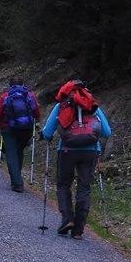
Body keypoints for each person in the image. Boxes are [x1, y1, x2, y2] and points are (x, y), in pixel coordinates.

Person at [40, 79, 112, 240]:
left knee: (64, 184)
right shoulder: (93, 106)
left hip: (66, 150)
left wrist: (44, 135)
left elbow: (47, 133)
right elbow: (106, 132)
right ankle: (78, 229)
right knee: (84, 187)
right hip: (91, 151)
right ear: (85, 91)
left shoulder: (61, 106)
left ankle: (67, 219)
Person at [0, 76, 41, 192]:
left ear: (10, 85)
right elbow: (37, 113)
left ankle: (17, 183)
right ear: (23, 84)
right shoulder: (29, 96)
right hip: (26, 129)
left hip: (8, 128)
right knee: (19, 151)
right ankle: (17, 177)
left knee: (11, 154)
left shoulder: (5, 96)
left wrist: (0, 124)